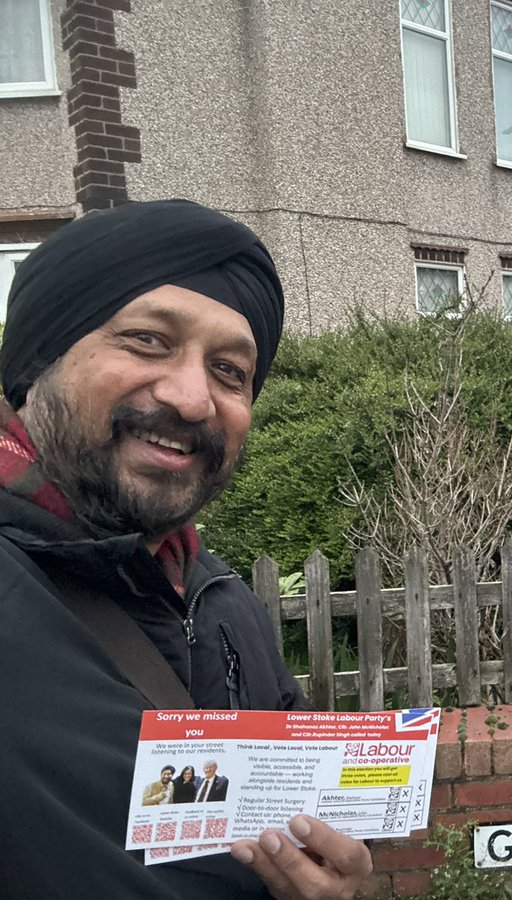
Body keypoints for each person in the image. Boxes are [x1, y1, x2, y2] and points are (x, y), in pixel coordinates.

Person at [0, 200, 373, 899]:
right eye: (147, 340)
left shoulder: (221, 601)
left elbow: (304, 823)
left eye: (231, 371)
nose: (194, 398)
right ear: (38, 359)